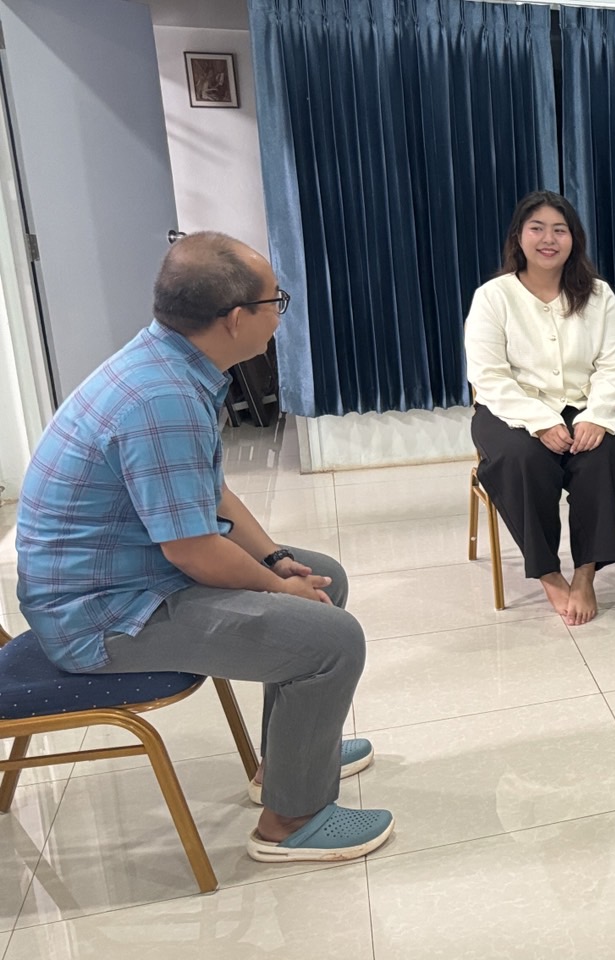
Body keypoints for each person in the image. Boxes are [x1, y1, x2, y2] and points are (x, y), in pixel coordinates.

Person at [13, 232, 393, 863]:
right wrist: (280, 589)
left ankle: (287, 766)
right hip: (103, 619)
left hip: (128, 580)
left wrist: (277, 562)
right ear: (237, 318)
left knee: (321, 575)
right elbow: (193, 553)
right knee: (332, 638)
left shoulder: (169, 363)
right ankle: (290, 821)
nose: (280, 315)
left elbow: (208, 492)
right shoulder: (162, 398)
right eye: (276, 302)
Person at [465, 190, 615, 628]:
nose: (548, 239)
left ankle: (586, 572)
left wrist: (597, 416)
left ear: (573, 238)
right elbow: (489, 376)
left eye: (559, 230)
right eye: (537, 228)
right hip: (509, 411)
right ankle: (547, 572)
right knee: (523, 459)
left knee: (603, 454)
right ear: (518, 237)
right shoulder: (493, 297)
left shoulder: (598, 295)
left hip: (584, 406)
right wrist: (540, 422)